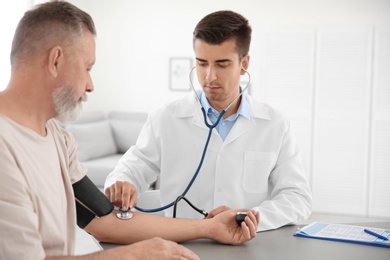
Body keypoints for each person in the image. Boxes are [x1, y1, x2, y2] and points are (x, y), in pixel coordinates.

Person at [0, 2, 259, 259]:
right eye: (87, 68)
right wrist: (131, 256)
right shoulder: (4, 145)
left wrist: (210, 228)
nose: (90, 85)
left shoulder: (57, 138)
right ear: (56, 60)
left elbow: (105, 220)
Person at [105, 10, 312, 232]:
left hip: (246, 246)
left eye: (222, 64)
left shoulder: (275, 124)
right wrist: (121, 184)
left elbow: (297, 198)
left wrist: (246, 218)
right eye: (202, 63)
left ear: (244, 64)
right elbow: (130, 170)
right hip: (180, 244)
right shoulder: (164, 118)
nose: (209, 76)